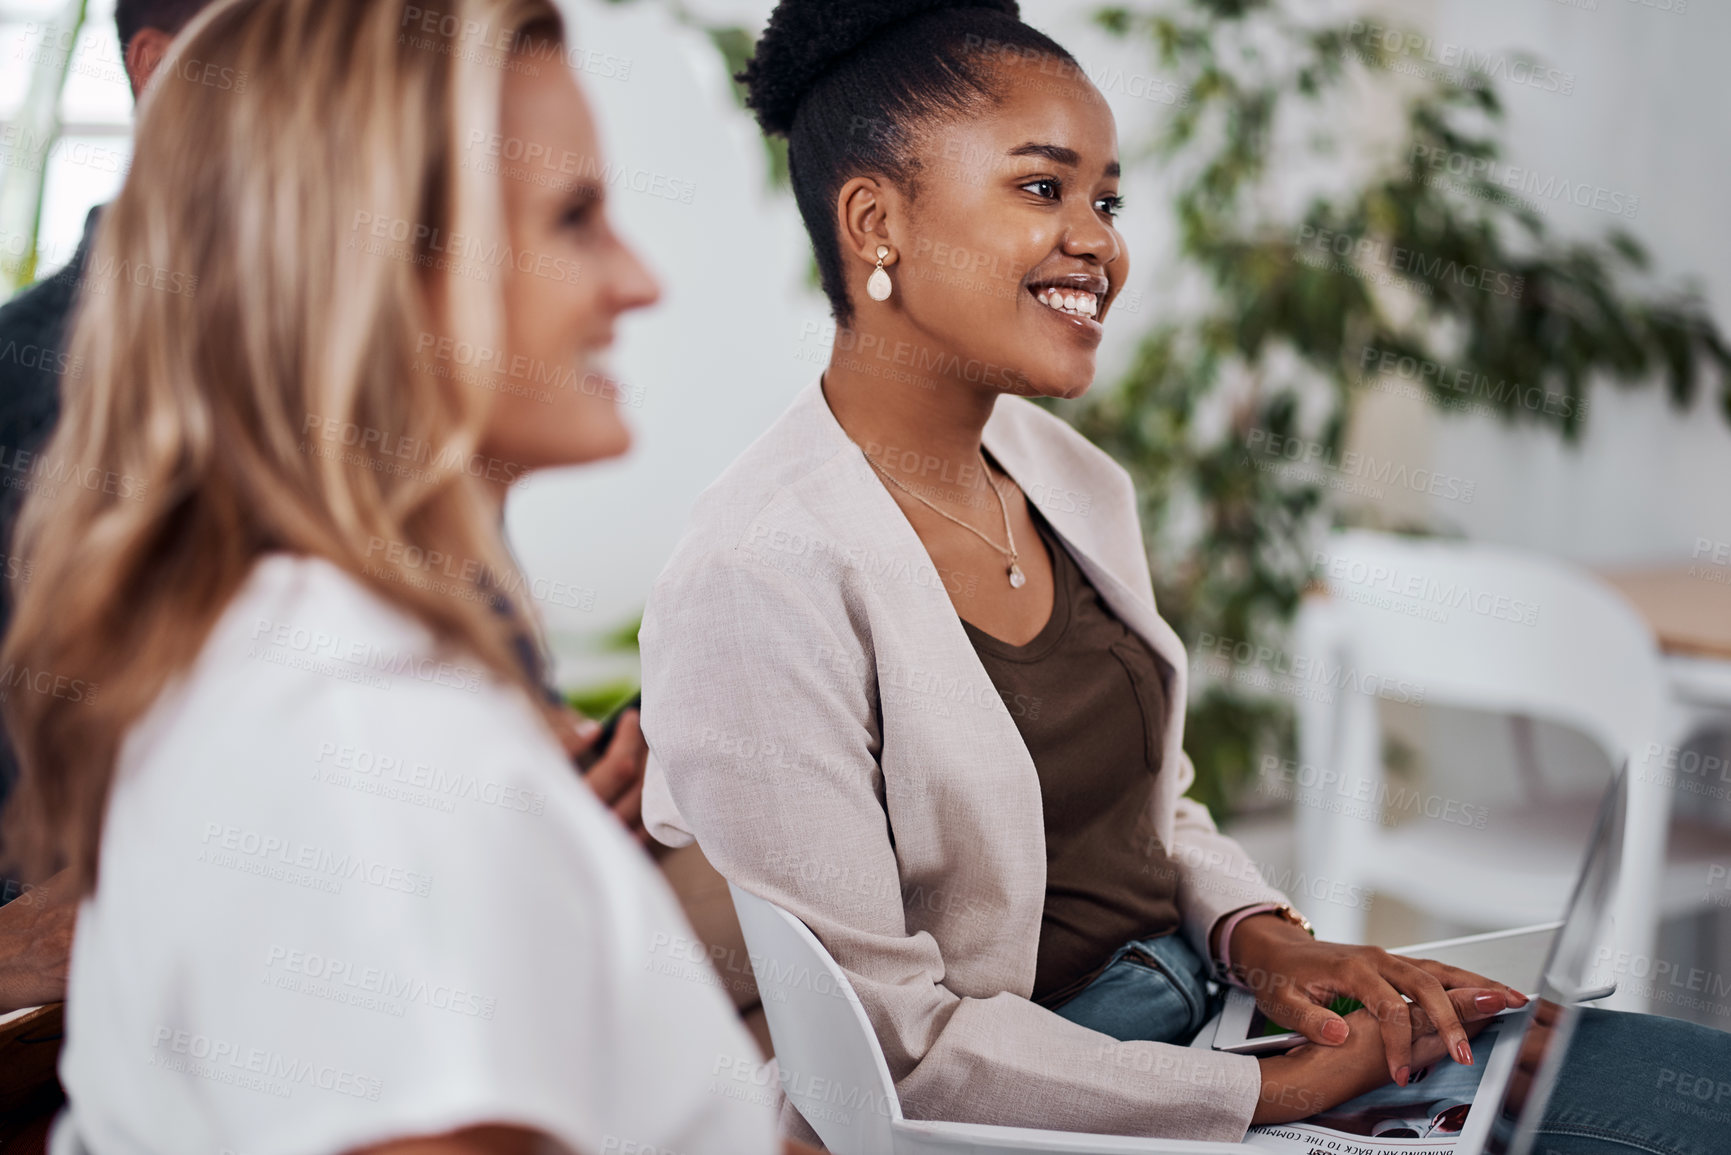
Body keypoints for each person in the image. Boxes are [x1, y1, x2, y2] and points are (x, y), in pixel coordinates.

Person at [635, 1, 1730, 1151]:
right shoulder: (760, 577)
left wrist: (1269, 939)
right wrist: (1279, 1096)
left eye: (1106, 201)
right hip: (1048, 1116)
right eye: (1043, 189)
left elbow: (1154, 811)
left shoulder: (1065, 477)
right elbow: (889, 1057)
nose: (1100, 242)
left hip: (1202, 1020)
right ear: (877, 220)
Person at [0, 1, 799, 1151]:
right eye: (573, 218)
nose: (639, 281)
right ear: (372, 270)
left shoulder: (295, 654)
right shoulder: (362, 755)